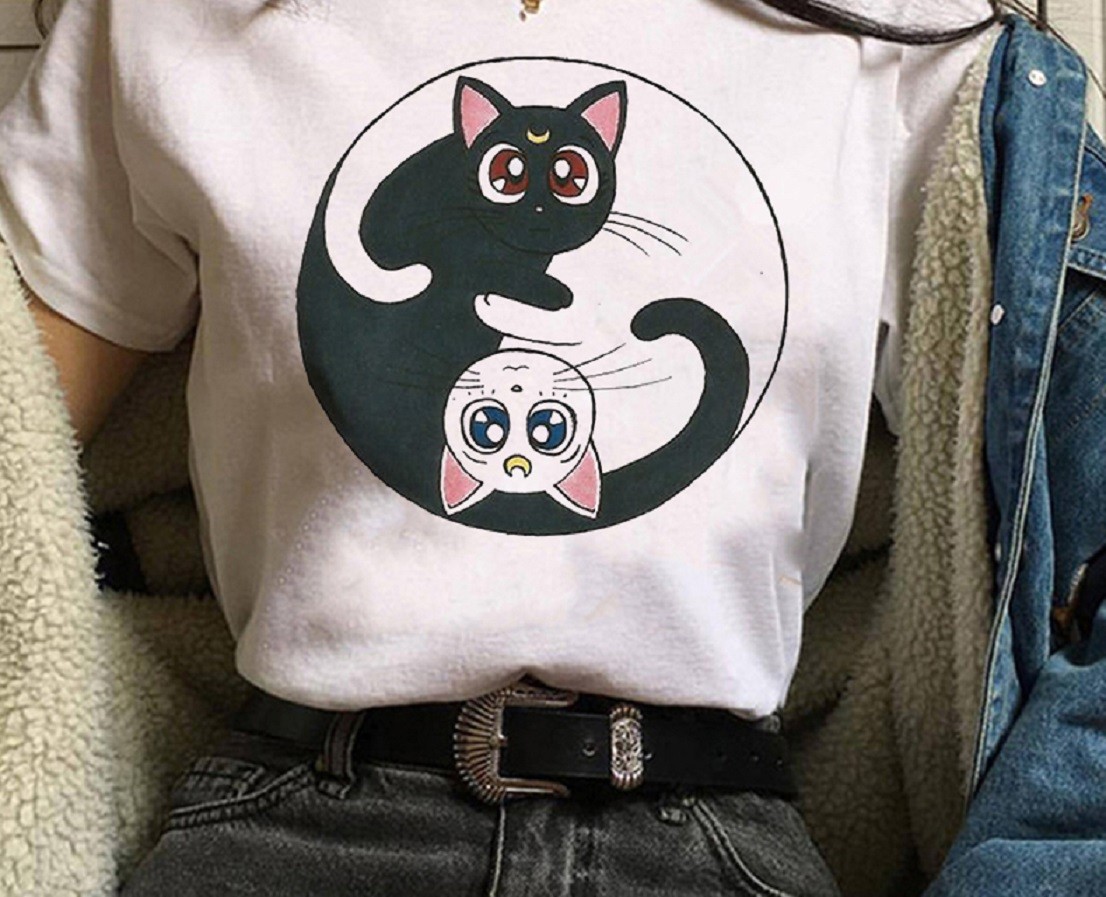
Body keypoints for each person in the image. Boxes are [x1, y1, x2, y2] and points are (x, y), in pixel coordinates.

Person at [0, 0, 999, 893]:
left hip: (708, 825)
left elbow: (1026, 510)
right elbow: (22, 435)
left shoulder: (899, 34)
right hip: (303, 816)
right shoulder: (176, 19)